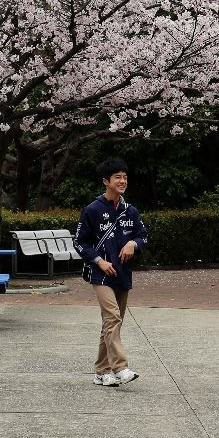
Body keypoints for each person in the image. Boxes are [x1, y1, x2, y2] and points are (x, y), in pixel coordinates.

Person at [75, 156, 149, 387]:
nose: (122, 181)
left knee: (111, 324)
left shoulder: (131, 211)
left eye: (125, 177)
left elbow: (143, 236)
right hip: (101, 274)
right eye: (118, 177)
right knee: (112, 318)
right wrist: (98, 261)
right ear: (106, 181)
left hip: (123, 274)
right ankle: (120, 367)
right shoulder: (92, 210)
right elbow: (79, 242)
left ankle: (101, 371)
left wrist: (132, 244)